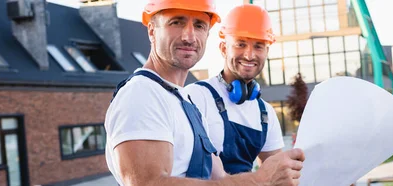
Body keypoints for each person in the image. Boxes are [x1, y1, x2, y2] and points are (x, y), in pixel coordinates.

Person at [104, 0, 304, 185]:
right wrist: (260, 180)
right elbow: (149, 184)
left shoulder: (185, 102)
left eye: (199, 25)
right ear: (152, 30)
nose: (189, 37)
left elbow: (221, 179)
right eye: (177, 22)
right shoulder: (142, 94)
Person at [183, 4, 284, 175]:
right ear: (223, 48)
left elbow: (278, 173)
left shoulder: (265, 114)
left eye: (258, 46)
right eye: (240, 44)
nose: (249, 55)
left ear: (266, 52)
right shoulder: (197, 96)